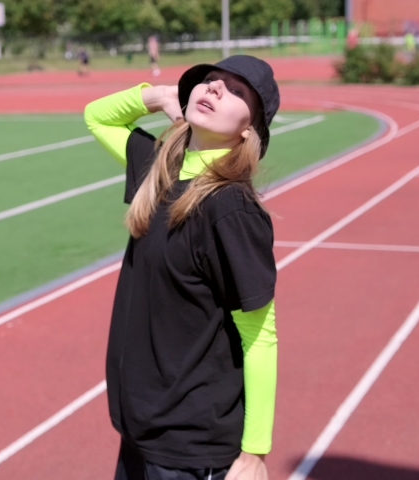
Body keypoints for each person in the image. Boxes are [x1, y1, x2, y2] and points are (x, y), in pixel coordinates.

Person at [84, 55, 280, 480]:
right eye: (210, 80)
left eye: (236, 91)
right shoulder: (159, 169)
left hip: (190, 444)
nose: (215, 88)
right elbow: (97, 116)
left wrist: (255, 451)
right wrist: (158, 96)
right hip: (140, 427)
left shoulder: (231, 209)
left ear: (249, 128)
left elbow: (260, 335)